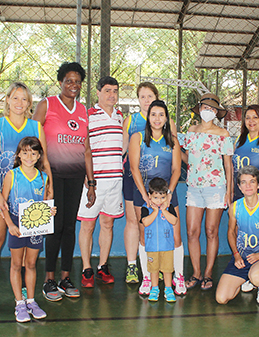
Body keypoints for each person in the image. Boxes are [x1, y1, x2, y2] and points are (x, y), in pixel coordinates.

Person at [0, 82, 52, 316]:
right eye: (15, 98)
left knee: (28, 253)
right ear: (7, 100)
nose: (19, 103)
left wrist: (49, 193)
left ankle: (27, 300)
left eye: (24, 99)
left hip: (29, 201)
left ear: (30, 103)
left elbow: (45, 163)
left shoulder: (35, 127)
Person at [33, 62, 96, 301]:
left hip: (76, 176)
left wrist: (91, 183)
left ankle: (65, 278)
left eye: (78, 81)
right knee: (54, 227)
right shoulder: (46, 105)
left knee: (70, 227)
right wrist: (40, 175)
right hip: (51, 176)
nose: (73, 85)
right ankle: (49, 280)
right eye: (69, 80)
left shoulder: (82, 111)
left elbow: (87, 150)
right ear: (60, 82)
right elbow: (33, 141)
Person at [122, 82, 178, 284]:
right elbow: (122, 150)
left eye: (150, 96)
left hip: (160, 184)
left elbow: (174, 151)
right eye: (142, 97)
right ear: (138, 100)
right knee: (135, 222)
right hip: (134, 179)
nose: (146, 100)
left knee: (160, 223)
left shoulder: (164, 121)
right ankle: (133, 266)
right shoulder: (131, 120)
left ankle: (161, 268)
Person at [128, 100, 185, 295]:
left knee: (175, 236)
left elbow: (177, 169)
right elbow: (134, 168)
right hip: (143, 193)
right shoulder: (137, 138)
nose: (157, 118)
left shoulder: (173, 140)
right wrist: (146, 197)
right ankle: (147, 277)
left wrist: (168, 194)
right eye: (154, 114)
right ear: (148, 117)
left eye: (161, 114)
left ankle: (178, 276)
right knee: (145, 236)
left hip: (168, 193)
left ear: (166, 118)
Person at [0, 137, 56, 322]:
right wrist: (10, 224)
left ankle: (31, 301)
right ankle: (19, 304)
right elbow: (3, 203)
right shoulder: (12, 175)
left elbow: (46, 202)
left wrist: (50, 210)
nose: (29, 156)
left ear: (39, 155)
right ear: (19, 155)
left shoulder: (43, 177)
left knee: (31, 264)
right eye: (25, 152)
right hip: (16, 223)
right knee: (16, 264)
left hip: (35, 226)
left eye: (33, 153)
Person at [182, 93, 234, 291]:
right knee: (191, 231)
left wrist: (228, 192)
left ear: (216, 112)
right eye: (205, 107)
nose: (208, 111)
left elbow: (228, 165)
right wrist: (173, 143)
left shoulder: (223, 134)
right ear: (199, 108)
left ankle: (208, 273)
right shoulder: (191, 131)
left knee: (211, 231)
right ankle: (195, 273)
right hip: (194, 188)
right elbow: (188, 159)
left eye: (212, 109)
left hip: (216, 188)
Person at [77, 76, 124, 288]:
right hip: (93, 183)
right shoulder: (88, 116)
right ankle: (86, 268)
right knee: (88, 225)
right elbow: (83, 150)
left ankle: (102, 266)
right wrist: (90, 180)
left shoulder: (120, 116)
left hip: (115, 181)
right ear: (98, 92)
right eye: (107, 91)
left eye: (115, 91)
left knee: (108, 223)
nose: (111, 95)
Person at [216, 166, 259, 305]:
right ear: (239, 186)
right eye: (244, 182)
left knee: (257, 277)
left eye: (252, 181)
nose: (248, 186)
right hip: (242, 257)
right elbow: (231, 232)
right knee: (221, 298)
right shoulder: (235, 207)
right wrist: (236, 254)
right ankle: (247, 278)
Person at [141, 178, 179, 302]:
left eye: (162, 198)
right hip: (152, 247)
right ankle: (154, 288)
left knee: (168, 269)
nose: (159, 201)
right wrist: (156, 211)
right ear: (149, 196)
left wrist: (163, 210)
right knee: (154, 269)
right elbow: (145, 222)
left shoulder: (169, 207)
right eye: (156, 198)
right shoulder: (145, 208)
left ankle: (168, 289)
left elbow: (174, 221)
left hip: (167, 246)